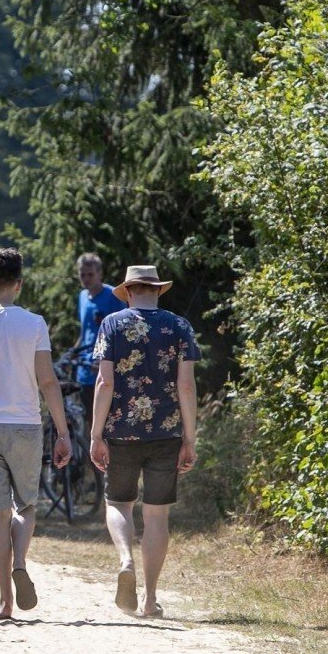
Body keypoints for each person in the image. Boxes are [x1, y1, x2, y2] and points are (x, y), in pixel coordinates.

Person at [0, 248, 72, 621]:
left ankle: (4, 601)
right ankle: (20, 560)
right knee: (26, 506)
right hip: (25, 427)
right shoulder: (34, 323)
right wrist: (63, 433)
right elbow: (48, 381)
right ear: (19, 284)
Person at [88, 265, 200, 618]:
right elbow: (186, 386)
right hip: (167, 434)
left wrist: (95, 434)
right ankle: (150, 599)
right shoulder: (179, 326)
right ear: (156, 290)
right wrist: (189, 438)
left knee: (119, 503)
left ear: (129, 290)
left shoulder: (112, 324)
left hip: (121, 431)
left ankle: (125, 560)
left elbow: (104, 384)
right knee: (156, 516)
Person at [73, 252, 125, 422]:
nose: (86, 279)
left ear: (100, 274)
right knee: (88, 419)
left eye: (90, 274)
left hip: (104, 369)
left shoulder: (113, 296)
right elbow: (84, 331)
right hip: (85, 369)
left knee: (105, 420)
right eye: (82, 275)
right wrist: (72, 352)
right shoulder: (82, 296)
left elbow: (123, 333)